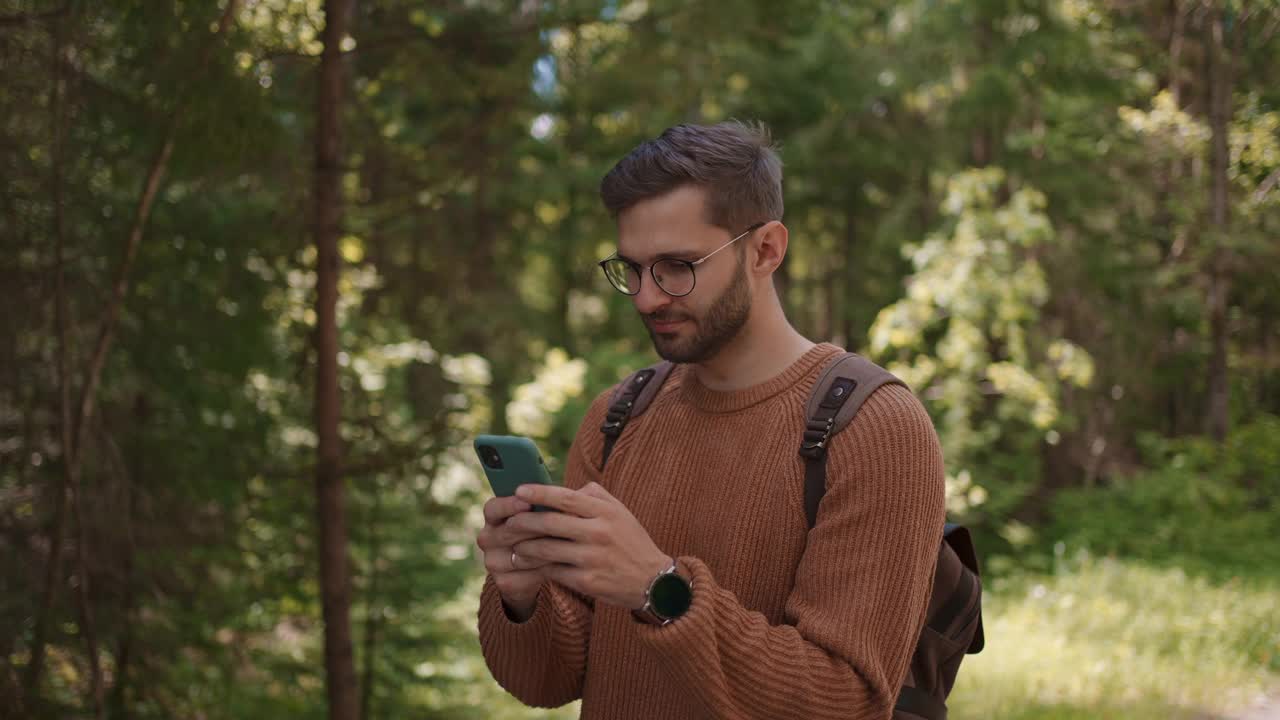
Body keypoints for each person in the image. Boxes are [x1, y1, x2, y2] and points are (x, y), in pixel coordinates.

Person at [474, 120, 945, 719]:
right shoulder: (618, 418)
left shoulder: (873, 427)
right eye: (633, 269)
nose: (647, 297)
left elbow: (847, 701)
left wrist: (661, 591)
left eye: (678, 266)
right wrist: (524, 598)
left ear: (766, 250)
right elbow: (547, 683)